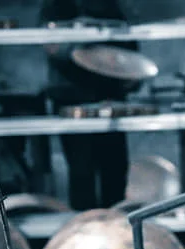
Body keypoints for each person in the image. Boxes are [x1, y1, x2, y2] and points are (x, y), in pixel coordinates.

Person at [39, 0, 138, 210]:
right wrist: (85, 42)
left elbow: (130, 52)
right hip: (72, 100)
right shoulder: (56, 6)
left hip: (111, 99)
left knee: (115, 170)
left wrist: (130, 76)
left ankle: (116, 228)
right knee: (82, 172)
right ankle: (85, 230)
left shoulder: (111, 8)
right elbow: (53, 45)